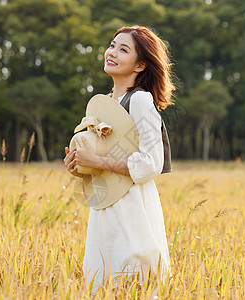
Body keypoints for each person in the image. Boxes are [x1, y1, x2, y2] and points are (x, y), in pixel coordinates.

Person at [64, 25, 175, 292]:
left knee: (132, 280)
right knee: (102, 281)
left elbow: (151, 163)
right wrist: (79, 166)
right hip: (104, 205)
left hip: (131, 206)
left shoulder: (140, 101)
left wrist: (97, 162)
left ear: (140, 65)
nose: (111, 52)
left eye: (123, 49)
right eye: (112, 45)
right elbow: (99, 159)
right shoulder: (105, 102)